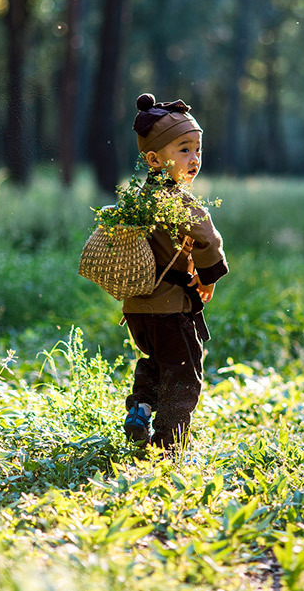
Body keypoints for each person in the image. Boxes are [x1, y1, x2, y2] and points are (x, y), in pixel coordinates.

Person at [123, 93, 229, 451]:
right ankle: (167, 448)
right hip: (170, 307)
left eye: (197, 149)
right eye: (183, 150)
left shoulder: (139, 198)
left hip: (137, 309)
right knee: (184, 376)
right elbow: (207, 236)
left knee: (158, 363)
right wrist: (208, 276)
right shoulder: (175, 199)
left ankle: (141, 406)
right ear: (154, 159)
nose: (194, 158)